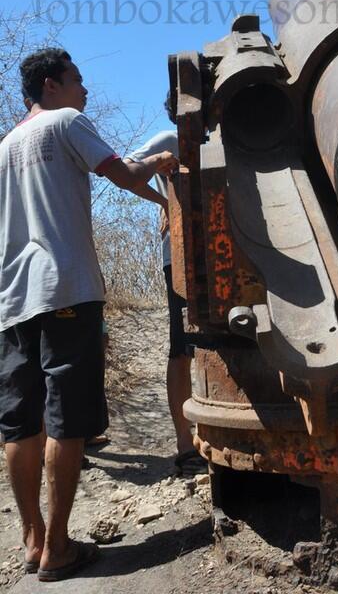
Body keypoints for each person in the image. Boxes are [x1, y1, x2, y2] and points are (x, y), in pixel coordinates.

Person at [0, 48, 178, 581]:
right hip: (68, 290)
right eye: (78, 81)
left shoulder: (5, 145)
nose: (86, 91)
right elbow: (119, 171)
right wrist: (162, 168)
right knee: (66, 420)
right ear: (52, 86)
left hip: (12, 300)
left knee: (19, 423)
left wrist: (156, 200)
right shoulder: (66, 121)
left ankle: (31, 539)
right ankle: (58, 547)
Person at [125, 93, 202, 476]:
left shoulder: (232, 140)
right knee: (181, 349)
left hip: (230, 257)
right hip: (183, 261)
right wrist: (163, 203)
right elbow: (126, 169)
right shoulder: (168, 140)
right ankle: (186, 445)